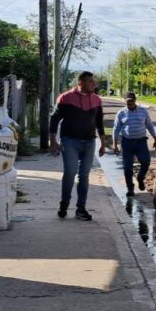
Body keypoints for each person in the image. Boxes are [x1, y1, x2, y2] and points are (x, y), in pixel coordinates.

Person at [49, 71, 106, 220]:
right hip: (70, 141)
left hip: (89, 142)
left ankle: (81, 209)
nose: (94, 84)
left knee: (84, 176)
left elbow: (99, 122)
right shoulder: (66, 98)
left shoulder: (96, 100)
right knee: (70, 172)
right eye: (90, 82)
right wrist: (53, 140)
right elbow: (54, 119)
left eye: (94, 81)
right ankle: (64, 203)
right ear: (80, 83)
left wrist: (103, 143)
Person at [112, 92, 156, 196]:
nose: (129, 103)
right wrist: (115, 145)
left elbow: (149, 125)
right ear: (125, 101)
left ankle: (140, 178)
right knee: (127, 167)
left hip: (141, 142)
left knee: (146, 161)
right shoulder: (121, 113)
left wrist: (155, 138)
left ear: (135, 100)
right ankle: (130, 188)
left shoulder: (143, 111)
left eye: (131, 101)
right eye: (127, 101)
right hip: (126, 143)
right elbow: (116, 129)